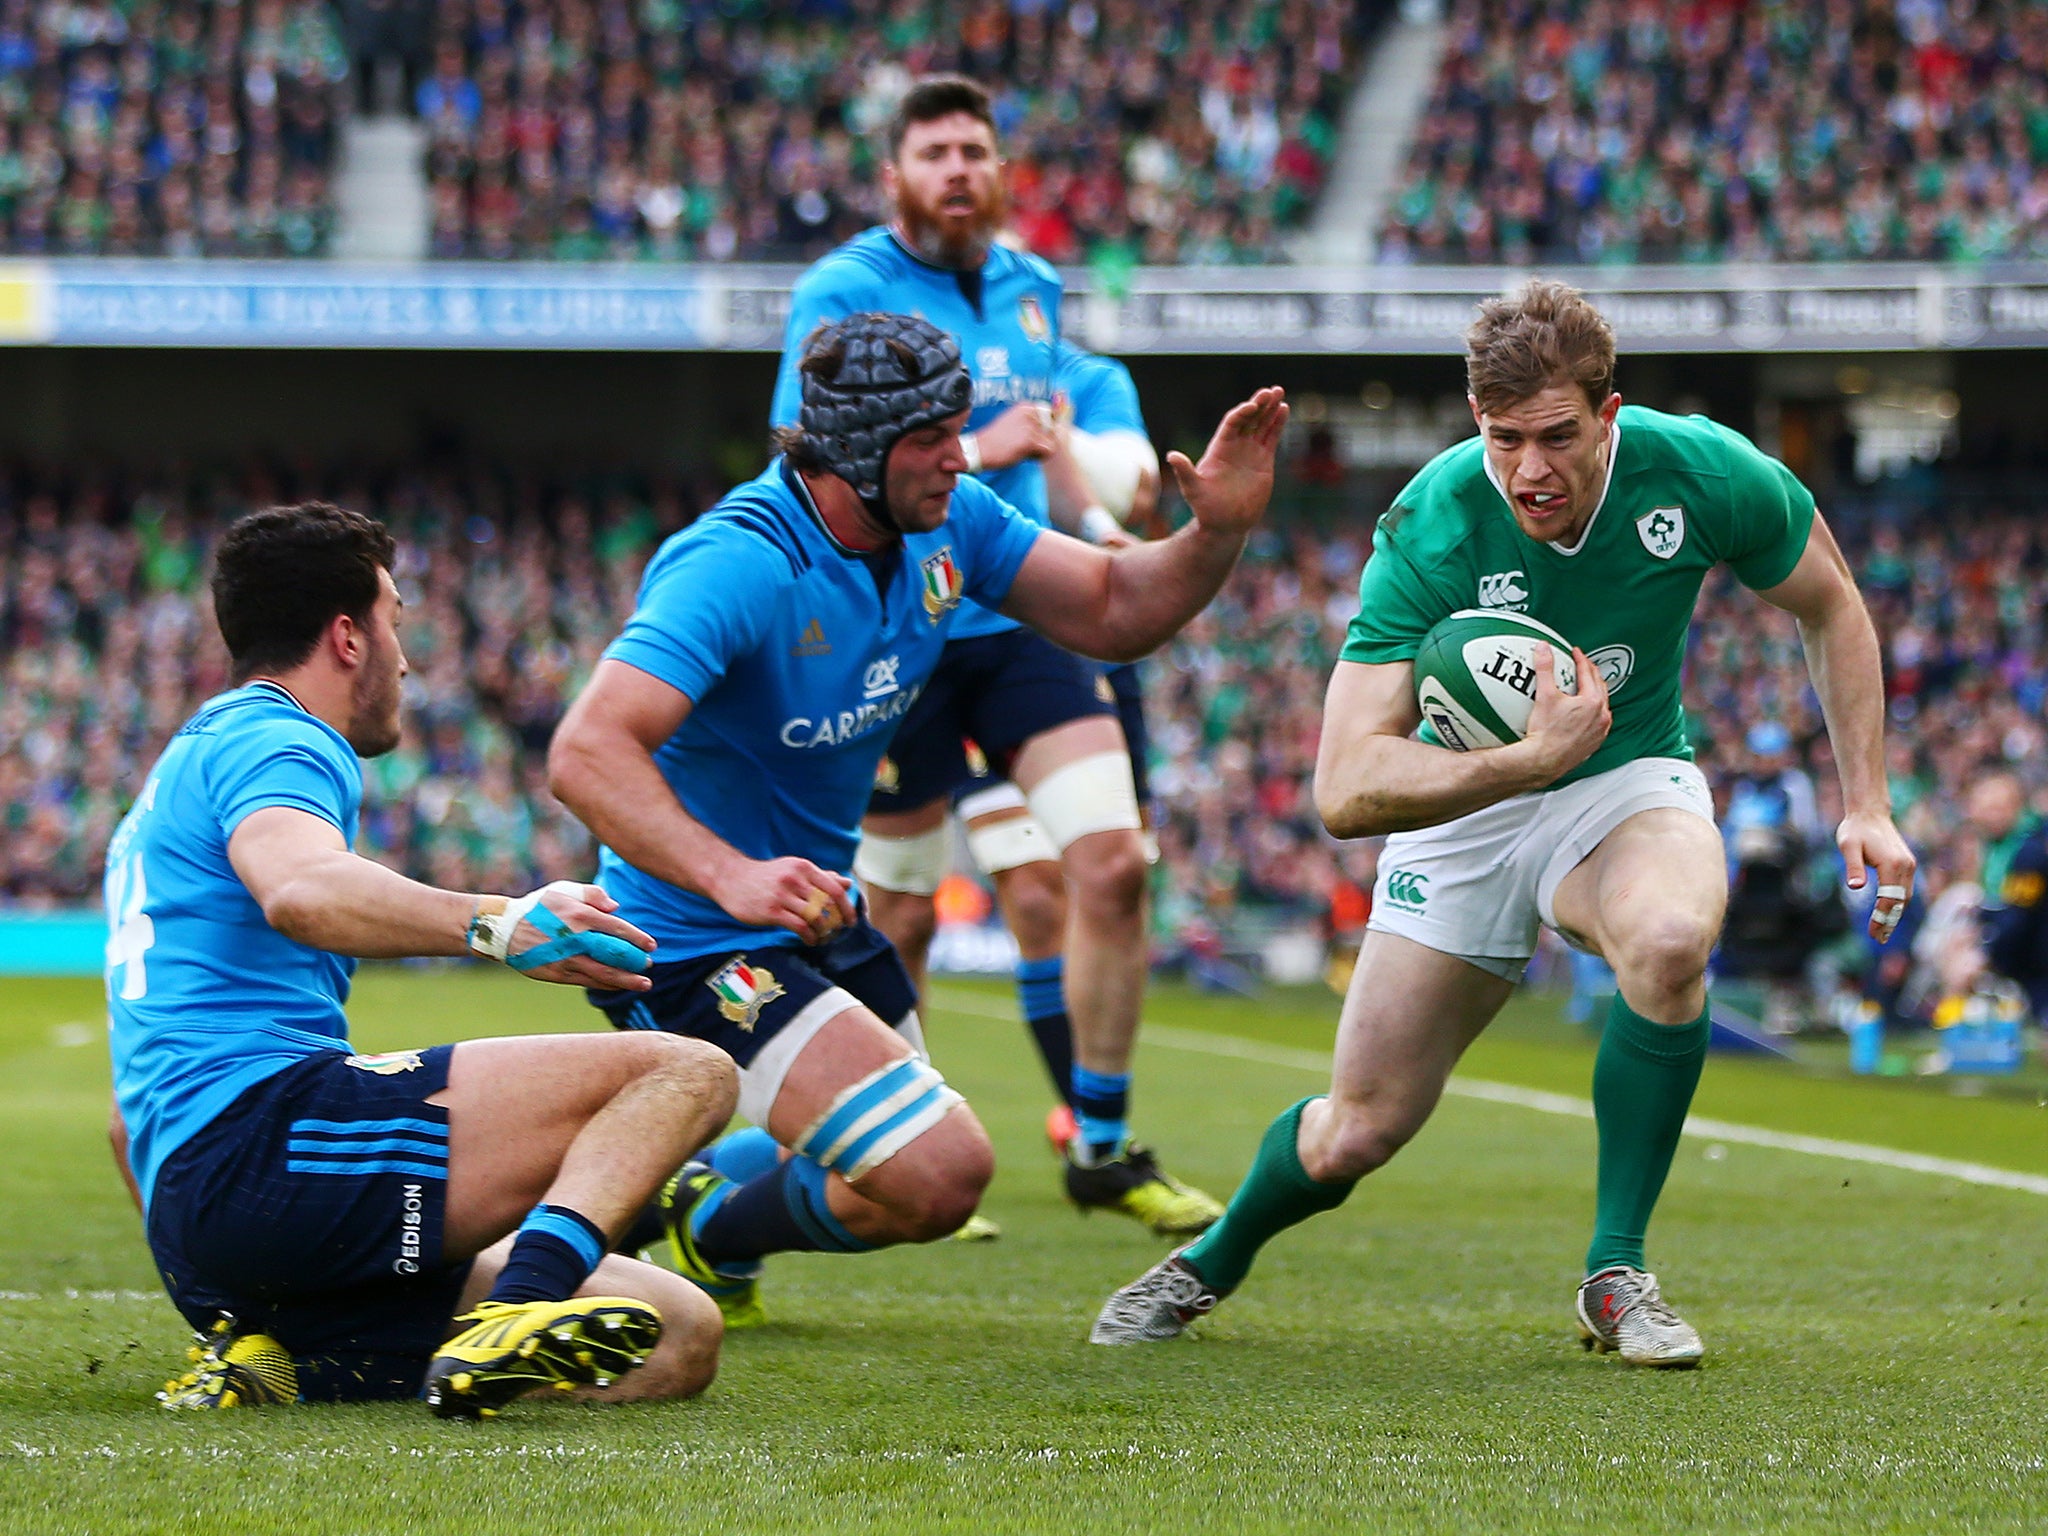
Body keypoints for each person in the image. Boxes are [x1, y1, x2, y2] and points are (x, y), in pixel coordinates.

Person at [1093, 279, 1915, 1365]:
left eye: (1555, 437)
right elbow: (1342, 786)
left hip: (1624, 781)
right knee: (1358, 1131)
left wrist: (1866, 801)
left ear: (1607, 414)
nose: (1528, 469)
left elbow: (1831, 603)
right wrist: (1522, 758)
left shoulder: (1702, 469)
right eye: (1500, 439)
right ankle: (1210, 1260)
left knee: (1669, 943)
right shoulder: (1432, 522)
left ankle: (1614, 1273)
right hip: (1464, 806)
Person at [549, 311, 1284, 1328]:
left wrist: (1216, 534)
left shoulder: (953, 522)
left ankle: (695, 1217)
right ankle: (571, 1193)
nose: (958, 453)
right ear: (854, 450)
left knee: (892, 1172)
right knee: (941, 1172)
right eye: (931, 438)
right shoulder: (734, 560)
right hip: (685, 944)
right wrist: (729, 876)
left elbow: (1114, 605)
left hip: (811, 925)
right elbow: (585, 752)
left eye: (957, 427)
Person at [111, 502, 737, 1420]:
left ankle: (279, 1358)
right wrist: (498, 924)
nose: (405, 656)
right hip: (264, 1152)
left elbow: (128, 1130)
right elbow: (301, 888)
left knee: (676, 1330)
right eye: (396, 621)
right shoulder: (280, 737)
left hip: (196, 1209)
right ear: (347, 637)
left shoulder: (195, 750)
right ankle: (517, 1312)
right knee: (688, 1072)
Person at [769, 75, 1218, 1237]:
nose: (957, 169)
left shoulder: (1032, 290)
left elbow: (1056, 447)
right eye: (934, 153)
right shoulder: (844, 289)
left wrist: (1103, 516)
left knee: (1110, 868)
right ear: (894, 177)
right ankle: (893, 1148)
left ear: (1000, 168)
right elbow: (804, 452)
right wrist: (979, 442)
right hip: (895, 629)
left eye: (975, 148)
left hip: (1014, 610)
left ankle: (1101, 1146)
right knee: (899, 920)